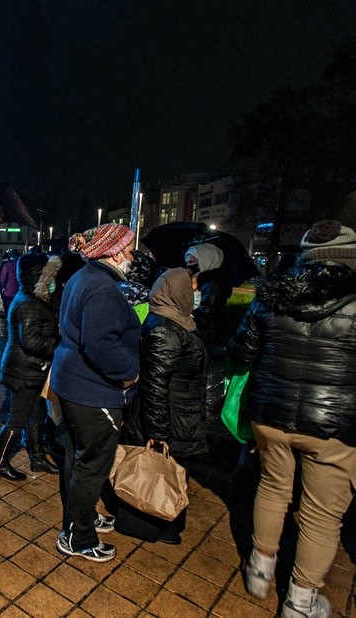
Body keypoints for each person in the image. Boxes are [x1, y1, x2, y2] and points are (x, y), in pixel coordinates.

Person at [230, 220, 356, 618]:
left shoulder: (272, 293)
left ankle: (259, 568)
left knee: (272, 487)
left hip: (270, 413)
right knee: (321, 514)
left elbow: (241, 351)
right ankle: (300, 601)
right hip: (334, 426)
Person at [51, 223, 139, 562]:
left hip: (74, 385)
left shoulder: (82, 278)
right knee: (92, 467)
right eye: (130, 252)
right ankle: (78, 537)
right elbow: (100, 343)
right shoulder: (101, 287)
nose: (132, 258)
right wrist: (129, 374)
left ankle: (80, 519)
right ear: (114, 252)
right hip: (93, 392)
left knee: (78, 459)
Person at [120, 267, 207, 544]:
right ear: (177, 292)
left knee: (174, 473)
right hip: (171, 416)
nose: (195, 293)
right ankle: (160, 526)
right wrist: (158, 433)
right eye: (191, 288)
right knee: (165, 473)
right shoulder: (165, 330)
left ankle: (167, 524)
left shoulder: (176, 320)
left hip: (179, 412)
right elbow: (156, 386)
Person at [0, 253, 61, 479]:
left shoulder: (33, 299)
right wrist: (58, 342)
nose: (52, 281)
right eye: (48, 275)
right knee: (18, 418)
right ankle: (0, 463)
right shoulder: (29, 304)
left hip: (30, 370)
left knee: (35, 416)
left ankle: (37, 458)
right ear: (38, 276)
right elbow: (31, 341)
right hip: (23, 371)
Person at [185, 243, 233, 352]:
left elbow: (204, 317)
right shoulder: (202, 280)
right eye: (187, 262)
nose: (188, 265)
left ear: (205, 261)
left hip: (207, 339)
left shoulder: (213, 285)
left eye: (191, 262)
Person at [0, 248, 19, 317]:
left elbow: (3, 278)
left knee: (9, 306)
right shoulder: (21, 264)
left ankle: (9, 319)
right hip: (19, 290)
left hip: (9, 290)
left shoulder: (7, 265)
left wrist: (2, 287)